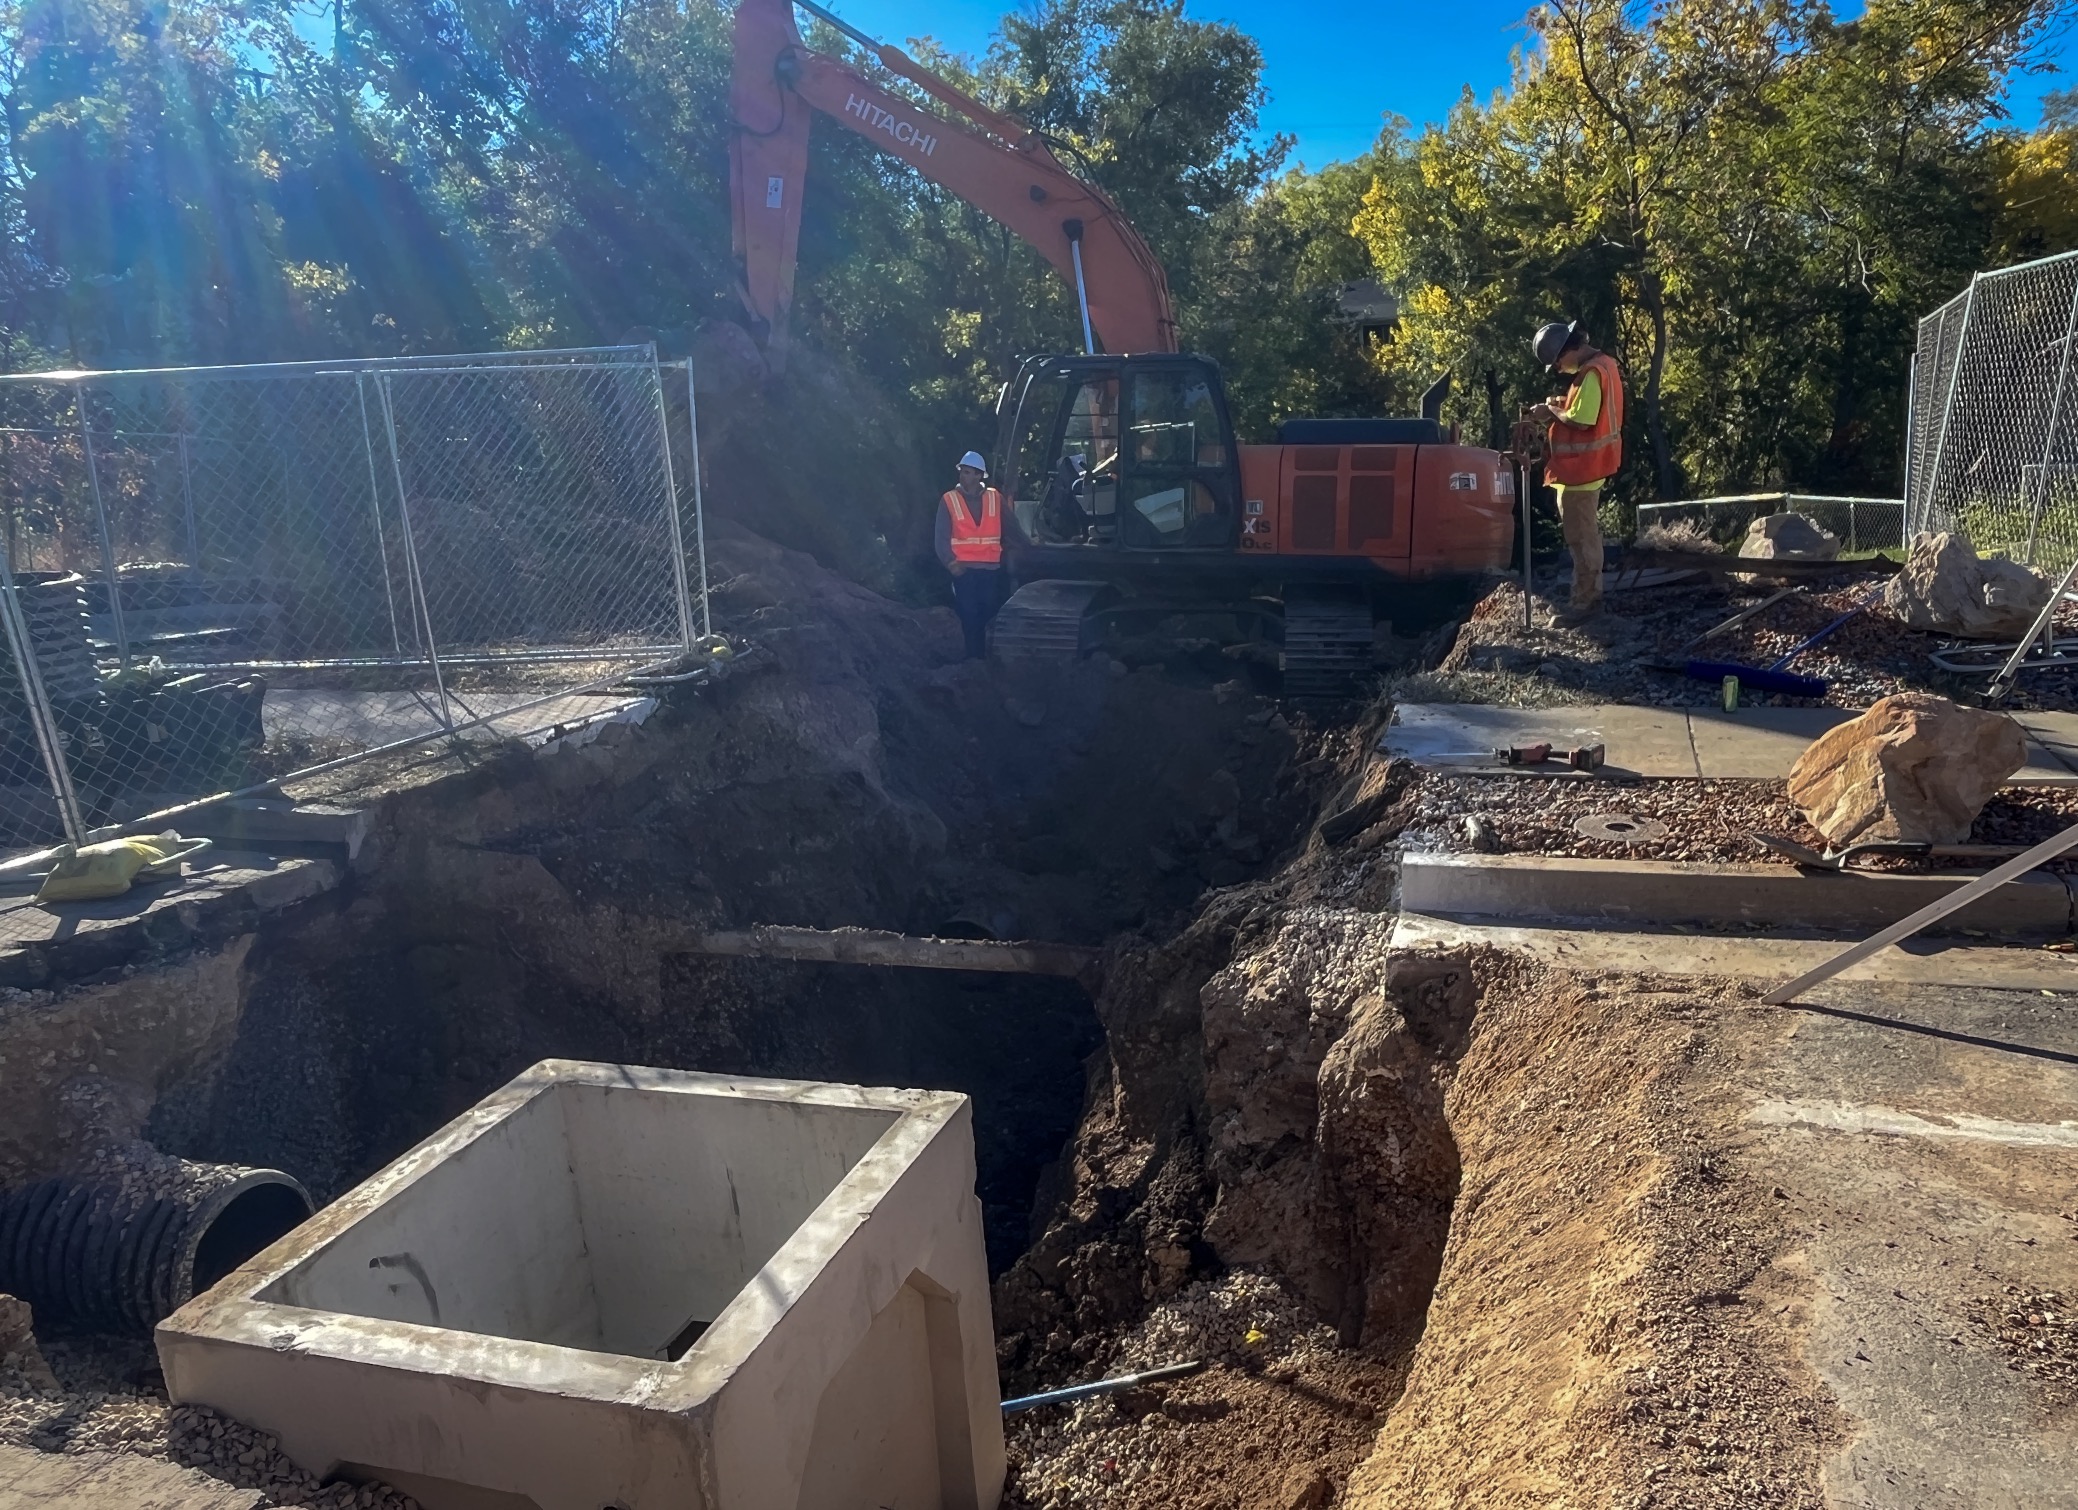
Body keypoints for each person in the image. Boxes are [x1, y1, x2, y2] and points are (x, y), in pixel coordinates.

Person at [1528, 320, 1625, 625]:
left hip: (1582, 472)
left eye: (1556, 362)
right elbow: (1580, 409)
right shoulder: (1601, 367)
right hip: (1585, 470)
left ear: (1568, 349)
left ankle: (1585, 604)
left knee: (1581, 540)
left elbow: (1581, 421)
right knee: (1583, 537)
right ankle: (1585, 597)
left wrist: (1550, 412)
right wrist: (1557, 404)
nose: (1557, 369)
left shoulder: (1592, 373)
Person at [937, 450, 1005, 659]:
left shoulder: (995, 497)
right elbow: (940, 537)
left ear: (979, 475)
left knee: (988, 613)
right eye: (963, 472)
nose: (964, 476)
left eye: (968, 473)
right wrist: (951, 563)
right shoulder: (949, 500)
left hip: (990, 569)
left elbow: (1012, 528)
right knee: (969, 615)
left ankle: (985, 658)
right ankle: (974, 660)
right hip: (964, 569)